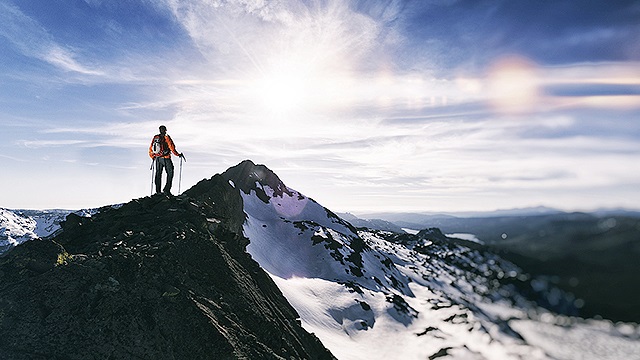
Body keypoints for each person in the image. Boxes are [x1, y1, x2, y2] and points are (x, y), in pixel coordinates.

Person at [149, 125, 184, 195]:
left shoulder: (156, 137)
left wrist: (153, 156)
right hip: (166, 158)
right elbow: (172, 147)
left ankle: (158, 191)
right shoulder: (166, 137)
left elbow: (151, 147)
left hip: (158, 158)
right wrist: (178, 154)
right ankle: (166, 190)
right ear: (165, 130)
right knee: (170, 173)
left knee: (158, 174)